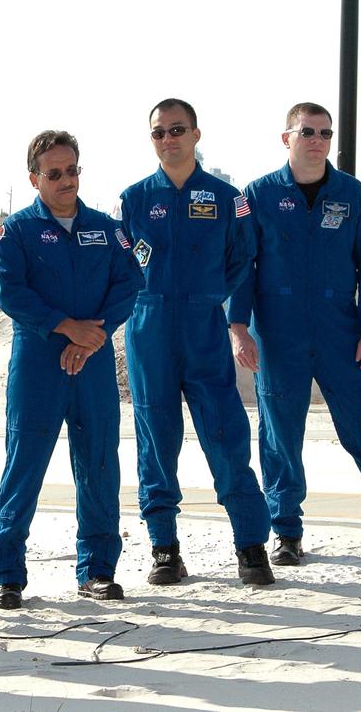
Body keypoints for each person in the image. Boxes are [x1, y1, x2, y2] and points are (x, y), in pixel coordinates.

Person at [228, 103, 361, 564]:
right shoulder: (258, 195)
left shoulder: (351, 192)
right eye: (307, 132)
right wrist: (238, 328)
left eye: (325, 132)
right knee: (280, 438)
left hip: (341, 334)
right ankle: (286, 531)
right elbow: (242, 267)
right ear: (287, 138)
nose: (317, 140)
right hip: (279, 338)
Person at [118, 98, 275, 586]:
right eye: (159, 132)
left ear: (196, 134)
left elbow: (242, 261)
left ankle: (250, 545)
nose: (169, 139)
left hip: (204, 325)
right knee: (155, 437)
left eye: (177, 129)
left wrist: (219, 306)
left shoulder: (229, 199)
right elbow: (122, 266)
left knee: (226, 433)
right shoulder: (133, 199)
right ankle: (164, 547)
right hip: (149, 327)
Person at [0, 131, 143, 608]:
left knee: (98, 463)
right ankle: (7, 573)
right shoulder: (16, 231)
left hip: (91, 363)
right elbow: (8, 291)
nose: (65, 180)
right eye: (54, 173)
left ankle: (97, 569)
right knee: (25, 465)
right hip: (39, 362)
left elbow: (130, 282)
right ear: (34, 178)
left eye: (72, 170)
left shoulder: (106, 228)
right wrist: (65, 327)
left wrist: (92, 336)